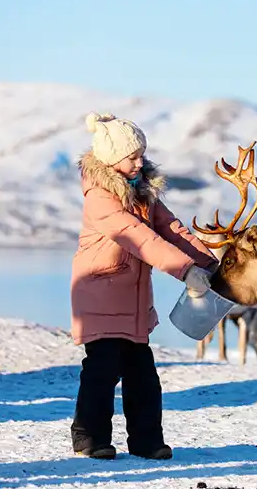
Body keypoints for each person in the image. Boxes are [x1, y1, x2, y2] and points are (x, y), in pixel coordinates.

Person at [69, 111, 217, 460]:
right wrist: (185, 271)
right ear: (111, 159)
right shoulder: (100, 198)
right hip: (99, 293)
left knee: (143, 376)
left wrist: (210, 264)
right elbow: (140, 238)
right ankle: (89, 439)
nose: (140, 162)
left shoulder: (143, 193)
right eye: (132, 157)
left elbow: (171, 229)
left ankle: (147, 442)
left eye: (141, 154)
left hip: (133, 300)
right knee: (102, 371)